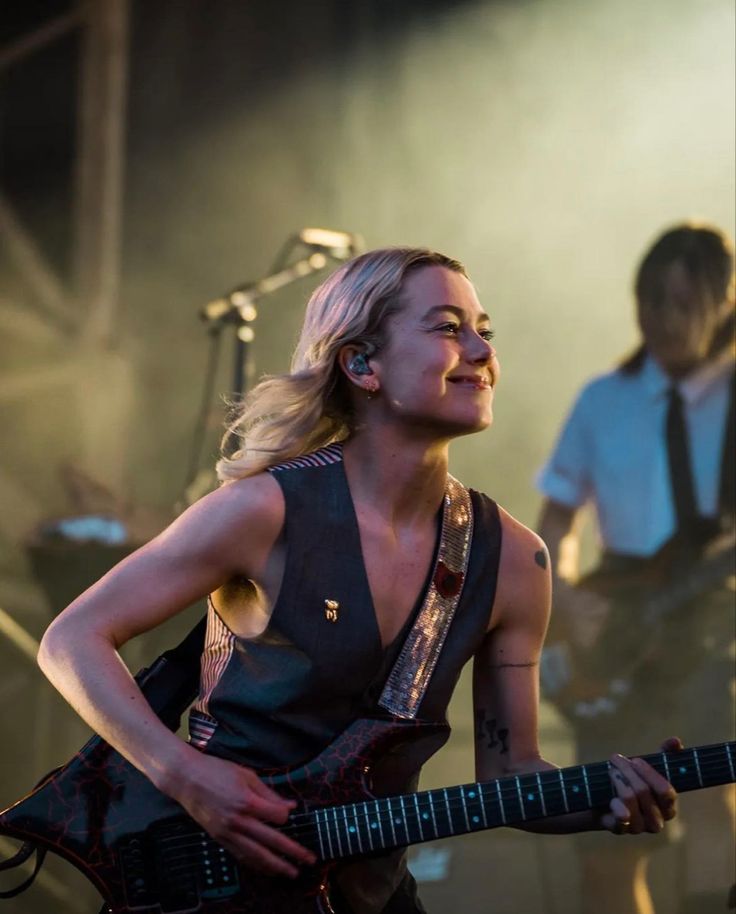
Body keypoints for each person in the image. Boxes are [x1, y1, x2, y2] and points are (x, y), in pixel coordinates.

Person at [38, 248, 679, 914]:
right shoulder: (264, 511)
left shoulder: (516, 559)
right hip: (212, 886)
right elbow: (71, 639)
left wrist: (604, 802)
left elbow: (513, 773)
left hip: (368, 897)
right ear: (361, 364)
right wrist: (188, 777)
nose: (481, 348)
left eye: (484, 328)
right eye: (447, 327)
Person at [536, 223, 735, 914]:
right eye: (652, 302)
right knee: (612, 831)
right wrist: (563, 595)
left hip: (717, 631)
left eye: (684, 303)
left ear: (722, 305)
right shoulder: (602, 399)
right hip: (617, 631)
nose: (666, 320)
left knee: (715, 807)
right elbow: (556, 520)